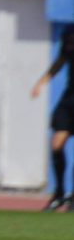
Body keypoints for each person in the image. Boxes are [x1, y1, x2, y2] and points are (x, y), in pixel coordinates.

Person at [30, 26, 74, 211]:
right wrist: (42, 81)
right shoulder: (69, 32)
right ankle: (59, 193)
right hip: (69, 99)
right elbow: (61, 60)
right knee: (56, 145)